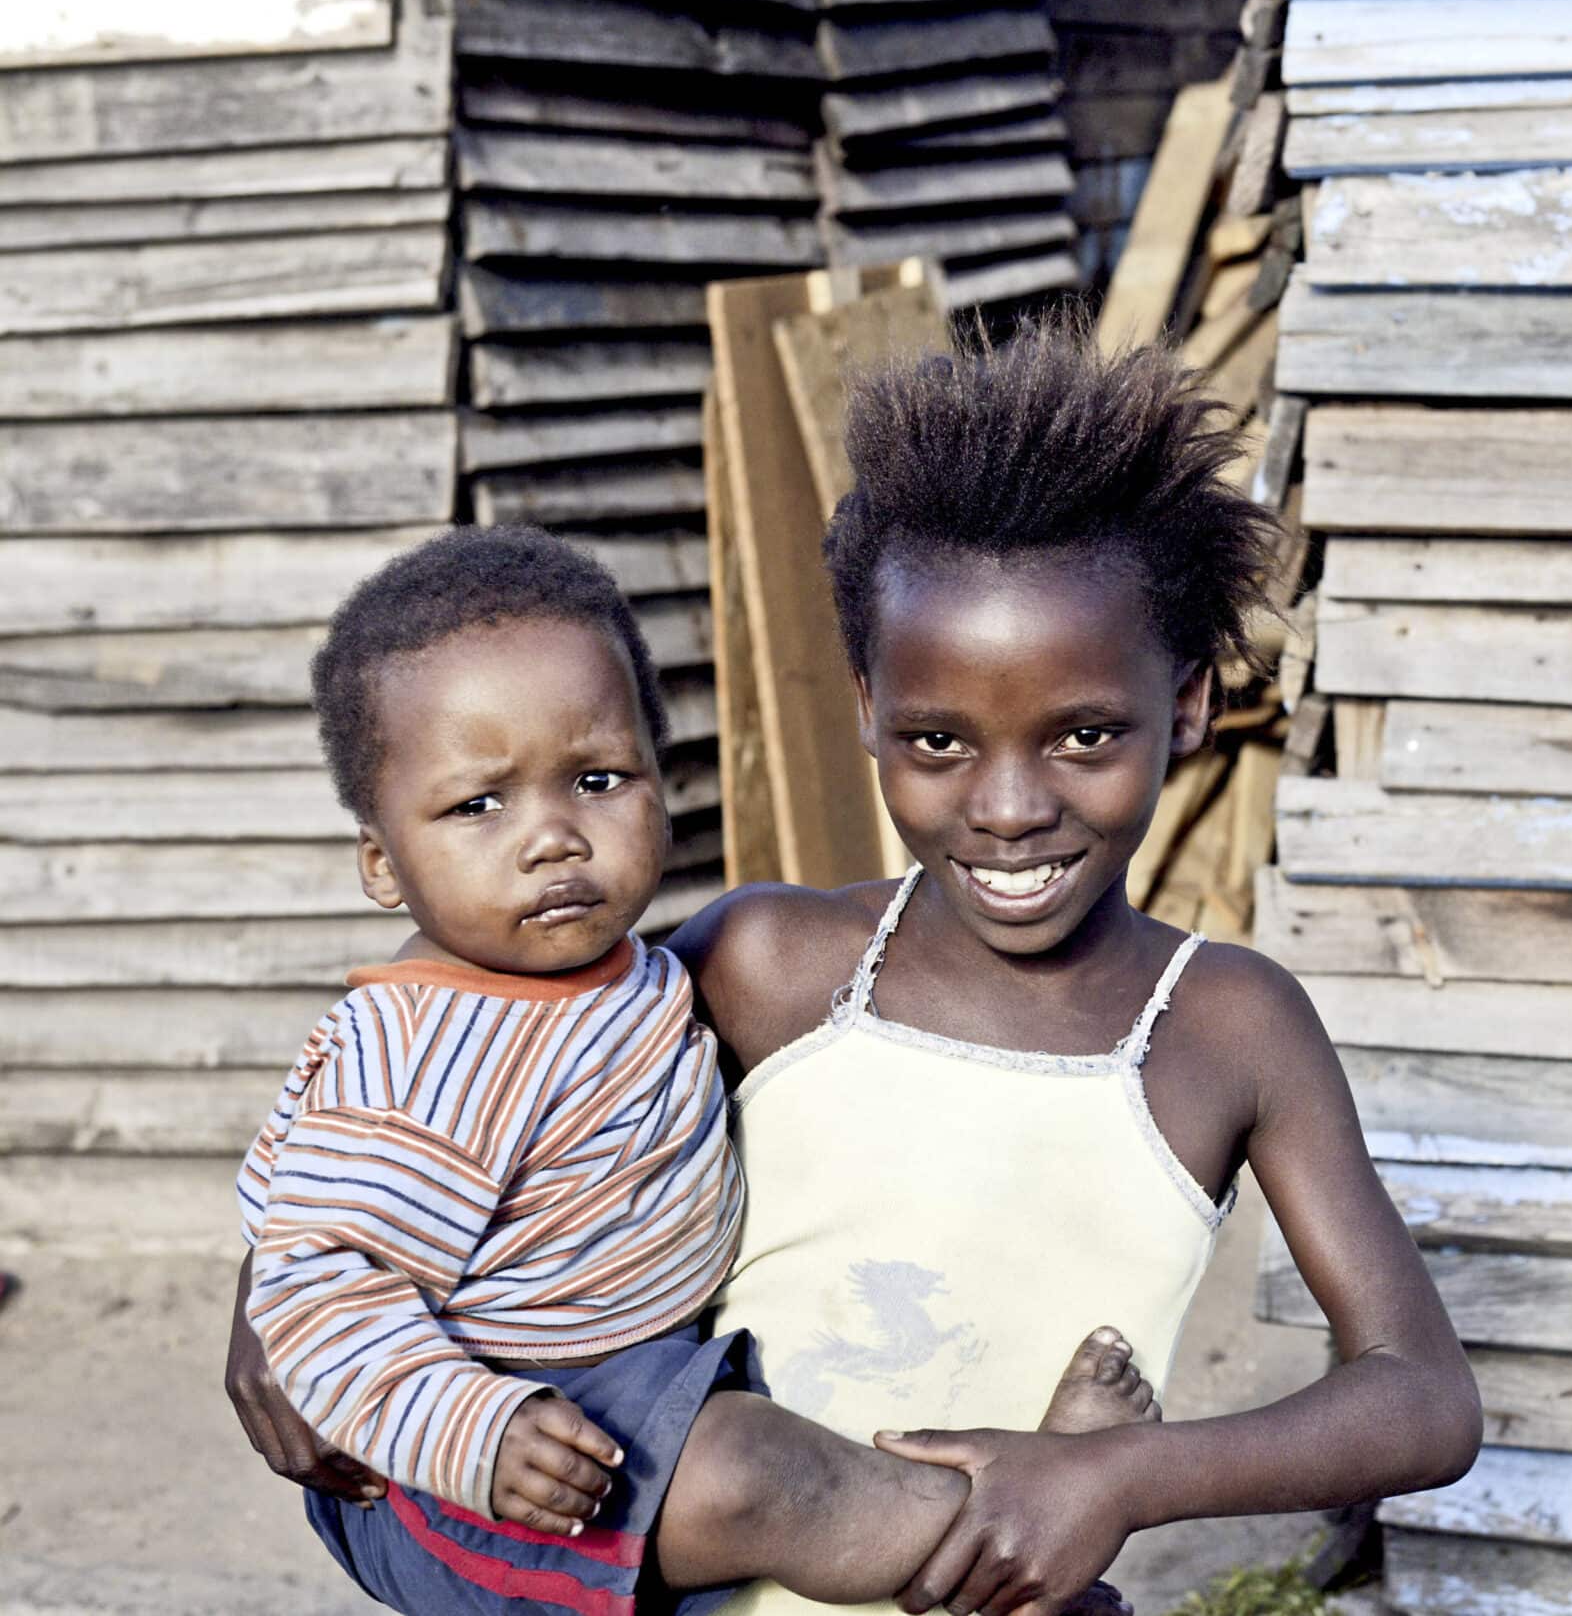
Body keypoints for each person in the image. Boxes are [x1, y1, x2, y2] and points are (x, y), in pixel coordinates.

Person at [668, 325, 1483, 1616]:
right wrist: (286, 1305)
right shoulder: (768, 964)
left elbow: (1423, 1394)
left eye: (1085, 735)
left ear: (1194, 703)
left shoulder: (1225, 1026)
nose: (1006, 807)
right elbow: (463, 1096)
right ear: (867, 703)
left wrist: (1118, 1473)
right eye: (937, 738)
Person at [225, 527, 1157, 1616]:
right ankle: (1030, 1568)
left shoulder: (635, 974)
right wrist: (477, 1430)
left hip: (632, 1384)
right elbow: (315, 1273)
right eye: (479, 803)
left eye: (597, 777)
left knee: (834, 1394)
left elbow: (288, 1171)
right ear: (382, 861)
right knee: (761, 1471)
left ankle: (1009, 1504)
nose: (553, 837)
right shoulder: (426, 1045)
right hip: (481, 1462)